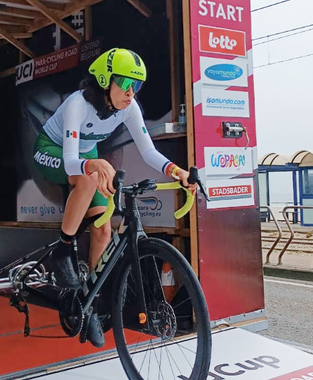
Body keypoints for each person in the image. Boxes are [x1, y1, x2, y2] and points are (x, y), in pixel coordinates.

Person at [32, 48, 196, 348]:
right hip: (52, 151)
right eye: (125, 83)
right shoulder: (77, 105)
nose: (131, 93)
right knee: (89, 175)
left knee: (104, 228)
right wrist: (93, 164)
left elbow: (148, 152)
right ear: (105, 80)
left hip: (87, 158)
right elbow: (71, 161)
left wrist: (177, 171)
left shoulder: (128, 108)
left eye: (138, 86)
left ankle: (89, 304)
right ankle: (63, 249)